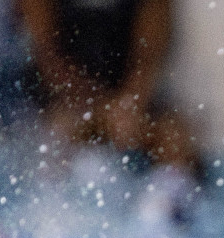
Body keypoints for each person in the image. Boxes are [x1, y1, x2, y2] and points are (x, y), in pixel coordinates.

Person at [19, 0, 199, 213]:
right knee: (58, 134)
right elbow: (47, 54)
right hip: (65, 99)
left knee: (173, 139)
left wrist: (129, 103)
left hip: (128, 98)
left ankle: (163, 212)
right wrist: (97, 108)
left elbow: (150, 55)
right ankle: (54, 211)